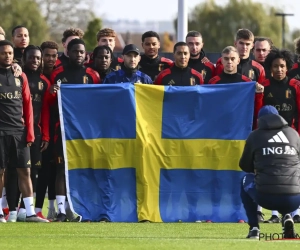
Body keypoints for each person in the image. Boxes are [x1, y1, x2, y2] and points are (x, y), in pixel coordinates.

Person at [48, 39, 100, 222]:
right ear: (68, 53)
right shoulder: (57, 74)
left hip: (85, 132)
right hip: (62, 130)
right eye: (75, 51)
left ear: (86, 54)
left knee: (83, 169)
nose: (79, 55)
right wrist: (52, 93)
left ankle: (81, 208)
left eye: (82, 52)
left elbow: (98, 102)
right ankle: (61, 210)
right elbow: (51, 103)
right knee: (61, 169)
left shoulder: (93, 76)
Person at [0, 40, 48, 223]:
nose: (7, 56)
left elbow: (28, 105)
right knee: (1, 172)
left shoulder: (20, 76)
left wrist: (29, 132)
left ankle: (30, 213)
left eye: (10, 53)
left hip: (19, 132)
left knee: (25, 171)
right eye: (4, 53)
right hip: (1, 131)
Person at [240, 105, 300, 239]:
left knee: (245, 180)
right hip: (295, 200)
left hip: (266, 198)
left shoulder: (255, 136)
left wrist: (260, 166)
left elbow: (244, 165)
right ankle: (287, 217)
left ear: (259, 120)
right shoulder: (293, 134)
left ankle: (254, 228)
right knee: (289, 181)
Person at [14, 45, 50, 221]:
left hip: (35, 131)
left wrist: (46, 135)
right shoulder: (17, 75)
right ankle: (10, 208)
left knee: (32, 170)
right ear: (24, 58)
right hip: (14, 129)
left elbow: (44, 110)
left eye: (38, 58)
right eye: (31, 57)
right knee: (13, 171)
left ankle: (24, 210)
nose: (35, 61)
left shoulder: (45, 81)